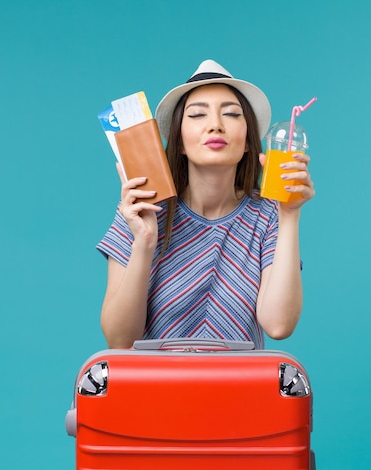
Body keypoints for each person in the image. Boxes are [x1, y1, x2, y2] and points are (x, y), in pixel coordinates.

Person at [97, 59, 315, 349]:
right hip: (155, 391)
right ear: (180, 142)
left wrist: (289, 215)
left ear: (249, 140)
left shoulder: (268, 216)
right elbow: (119, 339)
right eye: (198, 115)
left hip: (242, 391)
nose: (215, 125)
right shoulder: (140, 211)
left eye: (231, 114)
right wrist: (145, 240)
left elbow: (279, 324)